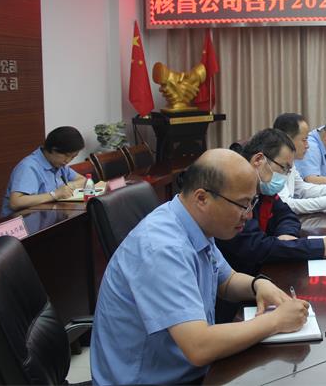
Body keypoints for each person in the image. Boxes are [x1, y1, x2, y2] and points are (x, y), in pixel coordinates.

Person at [90, 149, 309, 386]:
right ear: (202, 198)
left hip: (188, 370)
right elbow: (199, 347)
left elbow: (226, 280)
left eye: (252, 203)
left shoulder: (194, 223)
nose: (248, 215)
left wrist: (258, 285)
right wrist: (275, 321)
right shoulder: (162, 248)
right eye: (243, 205)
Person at [218, 128, 326, 275]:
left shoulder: (263, 189)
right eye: (284, 168)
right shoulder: (233, 192)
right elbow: (255, 246)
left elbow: (287, 215)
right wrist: (320, 246)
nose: (285, 176)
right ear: (258, 160)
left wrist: (286, 236)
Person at [273, 113, 326, 214]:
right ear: (287, 140)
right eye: (304, 140)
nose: (307, 145)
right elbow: (286, 204)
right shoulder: (272, 164)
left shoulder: (290, 163)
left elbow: (302, 189)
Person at [1, 126, 86, 218]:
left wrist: (70, 186)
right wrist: (55, 195)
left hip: (47, 217)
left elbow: (83, 180)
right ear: (53, 149)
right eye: (67, 155)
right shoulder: (28, 167)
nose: (68, 161)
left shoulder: (59, 164)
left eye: (73, 157)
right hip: (21, 221)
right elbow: (16, 202)